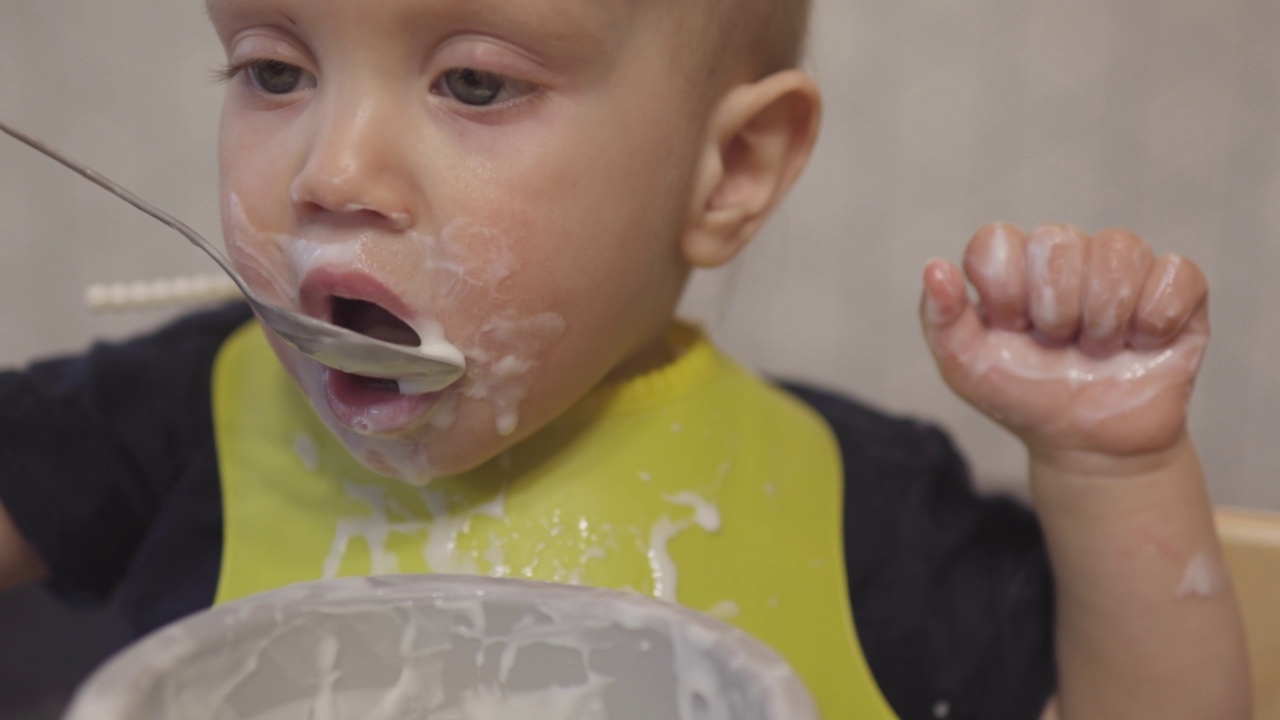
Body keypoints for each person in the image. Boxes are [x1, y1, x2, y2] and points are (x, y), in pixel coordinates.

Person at [0, 0, 1250, 718]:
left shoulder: (850, 506)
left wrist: (1104, 471)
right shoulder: (172, 415)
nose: (331, 173)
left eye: (476, 85)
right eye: (274, 69)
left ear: (730, 171)